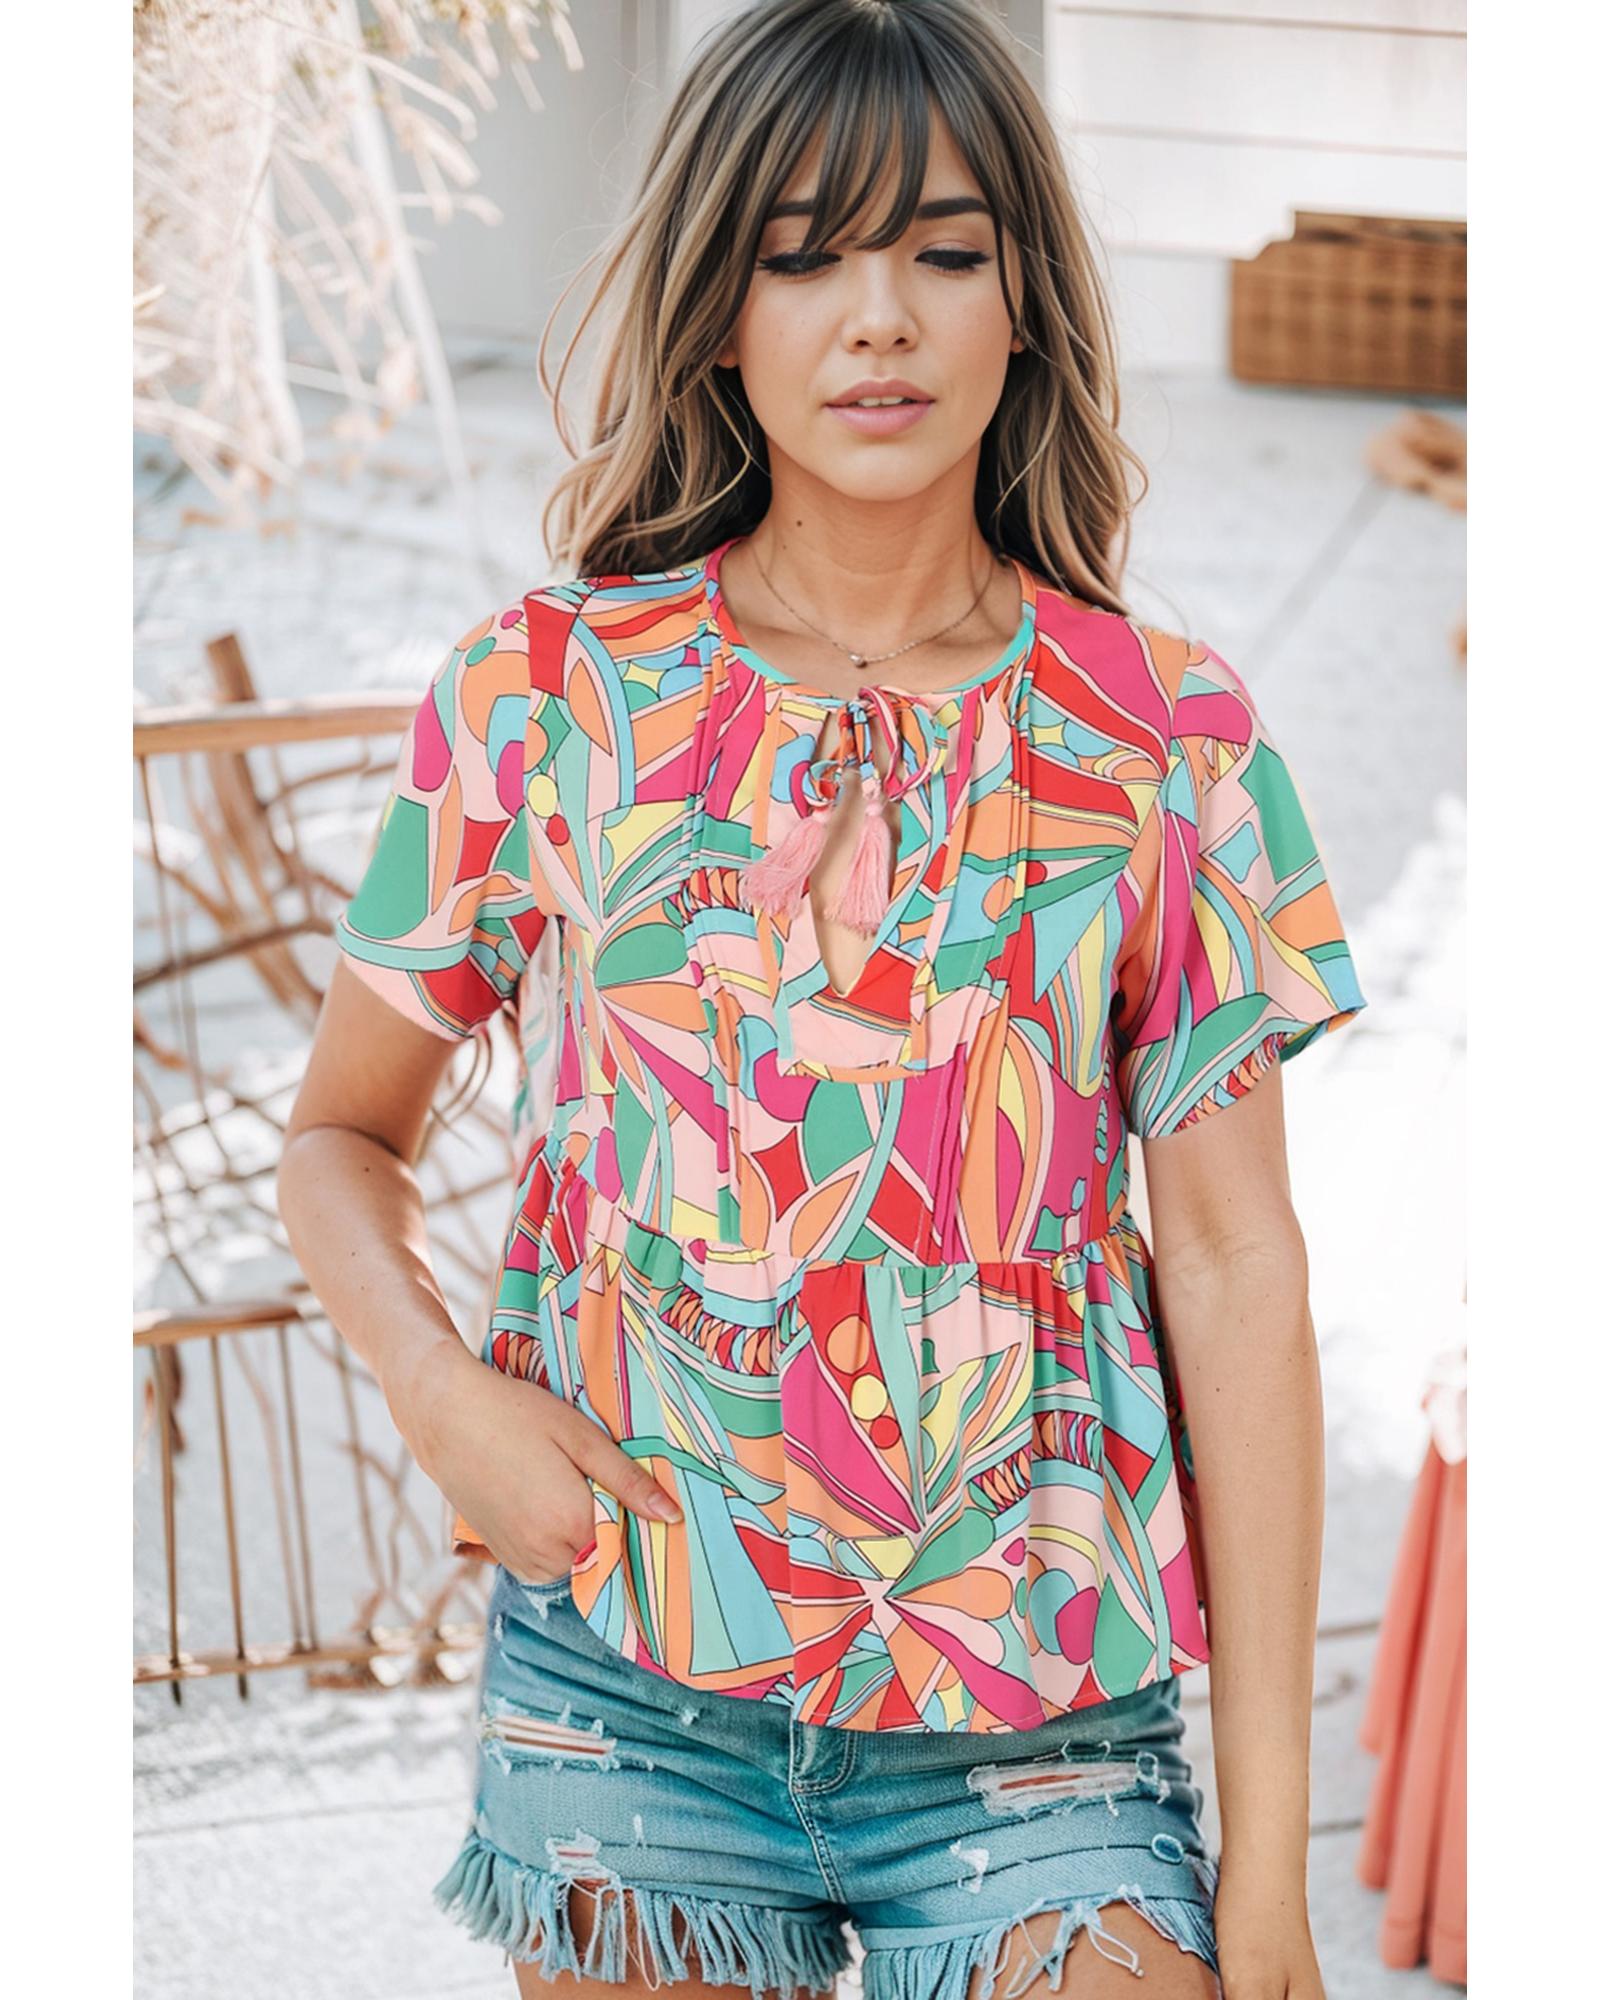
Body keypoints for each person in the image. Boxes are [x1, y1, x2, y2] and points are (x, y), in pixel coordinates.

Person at [278, 4, 1367, 1996]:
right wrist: (440, 1398)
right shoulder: (544, 697)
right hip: (627, 1681)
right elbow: (341, 1136)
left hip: (1044, 1709)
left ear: (1024, 304)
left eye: (944, 251)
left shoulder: (1163, 737)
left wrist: (1273, 1866)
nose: (879, 318)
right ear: (718, 311)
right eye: (803, 256)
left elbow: (1234, 1267)